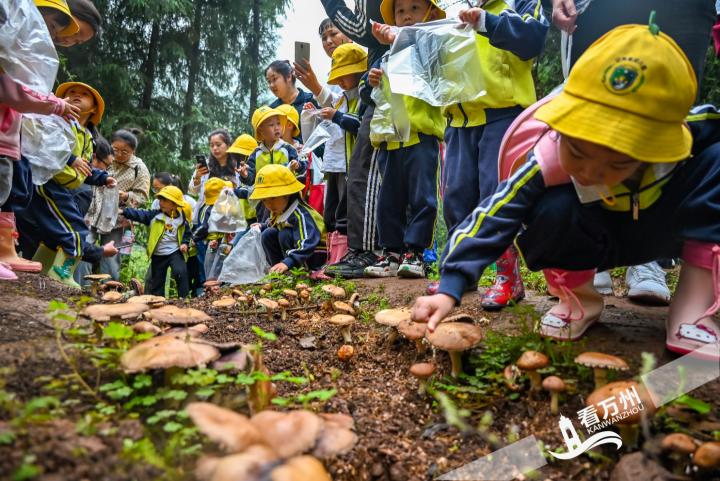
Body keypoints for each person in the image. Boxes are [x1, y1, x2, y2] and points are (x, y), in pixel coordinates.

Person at [412, 22, 720, 361]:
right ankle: (576, 301)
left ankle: (695, 307)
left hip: (667, 230)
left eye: (615, 163)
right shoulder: (546, 156)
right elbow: (494, 213)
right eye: (577, 151)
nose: (589, 171)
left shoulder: (700, 135)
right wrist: (450, 286)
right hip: (591, 235)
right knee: (550, 207)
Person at [546, 0, 716, 306]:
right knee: (591, 122)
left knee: (659, 125)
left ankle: (654, 265)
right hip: (599, 6)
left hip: (685, 7)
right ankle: (586, 260)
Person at [424, 1, 549, 309]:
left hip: (503, 115)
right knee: (456, 198)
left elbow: (535, 39)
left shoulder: (520, 3)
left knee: (497, 194)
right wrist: (401, 39)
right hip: (459, 117)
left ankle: (508, 276)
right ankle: (460, 273)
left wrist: (486, 21)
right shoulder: (449, 9)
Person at [361, 0, 446, 279]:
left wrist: (403, 42)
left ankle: (416, 253)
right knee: (389, 200)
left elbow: (435, 76)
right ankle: (392, 253)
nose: (407, 16)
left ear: (431, 14)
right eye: (400, 12)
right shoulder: (385, 58)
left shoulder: (431, 47)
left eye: (414, 9)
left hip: (421, 137)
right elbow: (367, 94)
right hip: (391, 140)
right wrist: (370, 79)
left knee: (423, 197)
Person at [0, 0, 82, 280]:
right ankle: (61, 272)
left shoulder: (88, 134)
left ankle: (6, 250)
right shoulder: (7, 59)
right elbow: (16, 92)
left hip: (10, 141)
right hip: (7, 143)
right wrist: (56, 105)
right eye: (50, 27)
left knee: (9, 194)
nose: (54, 38)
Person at [19, 81, 119, 287]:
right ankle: (62, 274)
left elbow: (83, 168)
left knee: (56, 232)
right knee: (75, 228)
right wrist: (70, 158)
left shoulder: (88, 135)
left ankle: (43, 269)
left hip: (59, 186)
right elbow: (45, 144)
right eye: (71, 92)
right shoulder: (60, 122)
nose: (76, 95)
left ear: (94, 109)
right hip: (46, 182)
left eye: (83, 94)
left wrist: (101, 177)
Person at [317, 1, 389, 279]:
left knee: (372, 176)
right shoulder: (350, 94)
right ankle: (362, 250)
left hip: (390, 97)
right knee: (360, 177)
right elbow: (364, 28)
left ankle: (372, 250)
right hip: (376, 95)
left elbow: (363, 30)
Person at [306, 43, 367, 237]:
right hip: (333, 164)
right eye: (336, 76)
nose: (339, 80)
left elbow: (359, 125)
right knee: (330, 212)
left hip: (349, 165)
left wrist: (336, 117)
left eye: (344, 74)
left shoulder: (364, 99)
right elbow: (326, 101)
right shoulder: (341, 99)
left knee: (346, 211)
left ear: (358, 72)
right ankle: (334, 254)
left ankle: (346, 252)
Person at [77, 128, 151, 285]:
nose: (119, 154)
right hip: (91, 212)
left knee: (111, 260)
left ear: (133, 151)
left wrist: (127, 196)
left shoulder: (139, 168)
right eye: (116, 149)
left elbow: (143, 196)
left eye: (125, 152)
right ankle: (81, 288)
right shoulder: (105, 158)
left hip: (115, 219)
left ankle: (109, 293)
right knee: (82, 248)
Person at [250, 164, 327, 274]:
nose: (269, 204)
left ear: (288, 193)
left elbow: (307, 241)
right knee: (268, 233)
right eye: (264, 200)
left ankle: (298, 271)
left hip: (315, 251)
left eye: (273, 197)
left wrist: (290, 261)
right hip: (299, 251)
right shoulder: (280, 210)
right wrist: (263, 226)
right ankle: (278, 272)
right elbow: (276, 223)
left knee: (285, 233)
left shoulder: (301, 213)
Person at [120, 186, 191, 298]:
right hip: (158, 254)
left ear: (175, 203)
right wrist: (124, 211)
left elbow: (187, 234)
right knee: (157, 281)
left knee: (181, 272)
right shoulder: (154, 215)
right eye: (160, 199)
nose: (160, 202)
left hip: (175, 251)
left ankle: (184, 299)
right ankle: (158, 302)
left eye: (164, 200)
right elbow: (139, 214)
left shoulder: (182, 219)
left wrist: (185, 244)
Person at [243, 107, 305, 223]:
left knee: (291, 221)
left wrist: (298, 165)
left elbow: (302, 163)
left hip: (287, 196)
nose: (277, 127)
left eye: (278, 123)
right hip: (265, 200)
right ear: (260, 130)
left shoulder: (288, 149)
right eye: (271, 125)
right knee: (264, 224)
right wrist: (245, 175)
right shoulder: (256, 154)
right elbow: (251, 178)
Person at [266, 60, 320, 144]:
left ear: (288, 76)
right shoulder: (271, 110)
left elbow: (324, 135)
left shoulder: (311, 101)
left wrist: (308, 151)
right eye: (269, 81)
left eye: (274, 79)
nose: (272, 85)